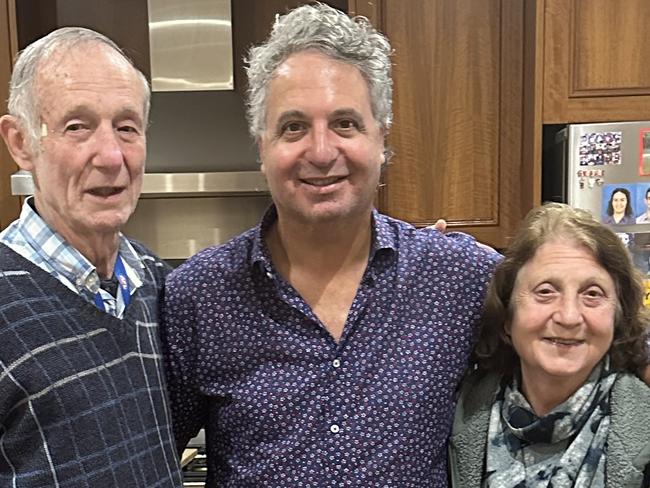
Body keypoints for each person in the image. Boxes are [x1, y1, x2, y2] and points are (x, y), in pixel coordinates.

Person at [161, 3, 500, 486]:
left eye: (345, 123)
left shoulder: (459, 278)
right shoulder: (197, 297)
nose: (321, 152)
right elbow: (143, 457)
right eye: (293, 126)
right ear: (262, 147)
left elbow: (578, 346)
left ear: (381, 139)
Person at [0, 28, 182, 486]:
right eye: (77, 127)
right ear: (21, 142)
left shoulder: (155, 283)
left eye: (126, 127)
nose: (110, 155)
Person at [449, 203, 650, 487]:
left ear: (617, 316)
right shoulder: (456, 413)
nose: (568, 316)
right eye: (545, 292)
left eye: (592, 294)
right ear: (507, 315)